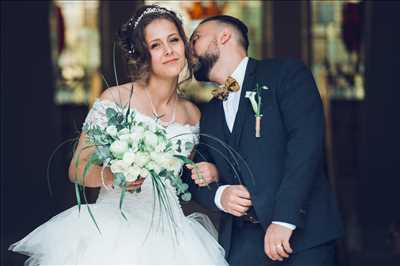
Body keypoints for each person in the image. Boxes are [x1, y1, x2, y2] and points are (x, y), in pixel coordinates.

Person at [9, 5, 228, 265]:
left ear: (184, 44)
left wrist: (210, 172)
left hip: (172, 236)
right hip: (113, 229)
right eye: (156, 45)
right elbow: (76, 168)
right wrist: (113, 177)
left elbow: (186, 180)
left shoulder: (194, 114)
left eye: (173, 40)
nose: (169, 51)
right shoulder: (116, 100)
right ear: (142, 54)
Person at [186, 15, 344, 266]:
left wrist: (284, 220)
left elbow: (305, 147)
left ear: (224, 36)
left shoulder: (285, 74)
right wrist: (219, 194)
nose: (188, 49)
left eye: (195, 38)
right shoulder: (210, 111)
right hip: (243, 247)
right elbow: (191, 175)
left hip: (302, 240)